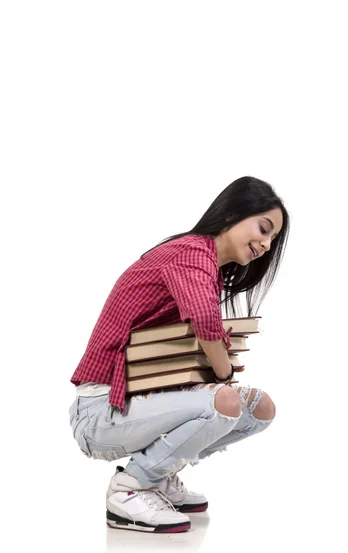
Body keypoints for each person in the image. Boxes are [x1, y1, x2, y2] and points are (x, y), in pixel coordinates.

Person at [69, 175, 290, 534]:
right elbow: (205, 321)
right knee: (226, 401)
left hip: (138, 399)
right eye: (263, 229)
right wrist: (222, 376)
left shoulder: (208, 266)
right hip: (99, 411)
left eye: (272, 239)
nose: (265, 244)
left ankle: (157, 472)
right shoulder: (191, 253)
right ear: (234, 213)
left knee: (259, 410)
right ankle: (130, 489)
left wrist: (220, 378)